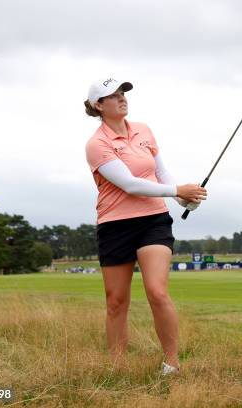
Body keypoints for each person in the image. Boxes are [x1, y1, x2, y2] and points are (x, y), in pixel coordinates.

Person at [84, 76, 207, 376]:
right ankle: (117, 367)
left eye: (123, 92)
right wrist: (178, 190)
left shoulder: (144, 130)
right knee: (116, 301)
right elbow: (130, 184)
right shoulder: (96, 145)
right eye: (113, 95)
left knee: (157, 291)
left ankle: (172, 364)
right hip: (115, 225)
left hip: (153, 221)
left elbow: (160, 171)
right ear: (99, 106)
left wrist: (181, 199)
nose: (122, 98)